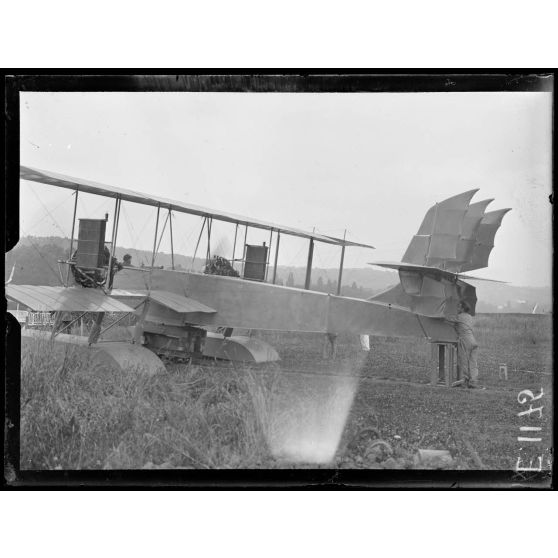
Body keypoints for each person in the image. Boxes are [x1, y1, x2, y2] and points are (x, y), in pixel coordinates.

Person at [448, 300, 482, 389]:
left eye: (458, 306)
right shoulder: (470, 317)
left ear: (462, 308)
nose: (457, 308)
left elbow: (447, 319)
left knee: (464, 361)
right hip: (473, 341)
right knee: (473, 363)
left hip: (465, 341)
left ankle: (465, 381)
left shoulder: (458, 317)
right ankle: (473, 382)